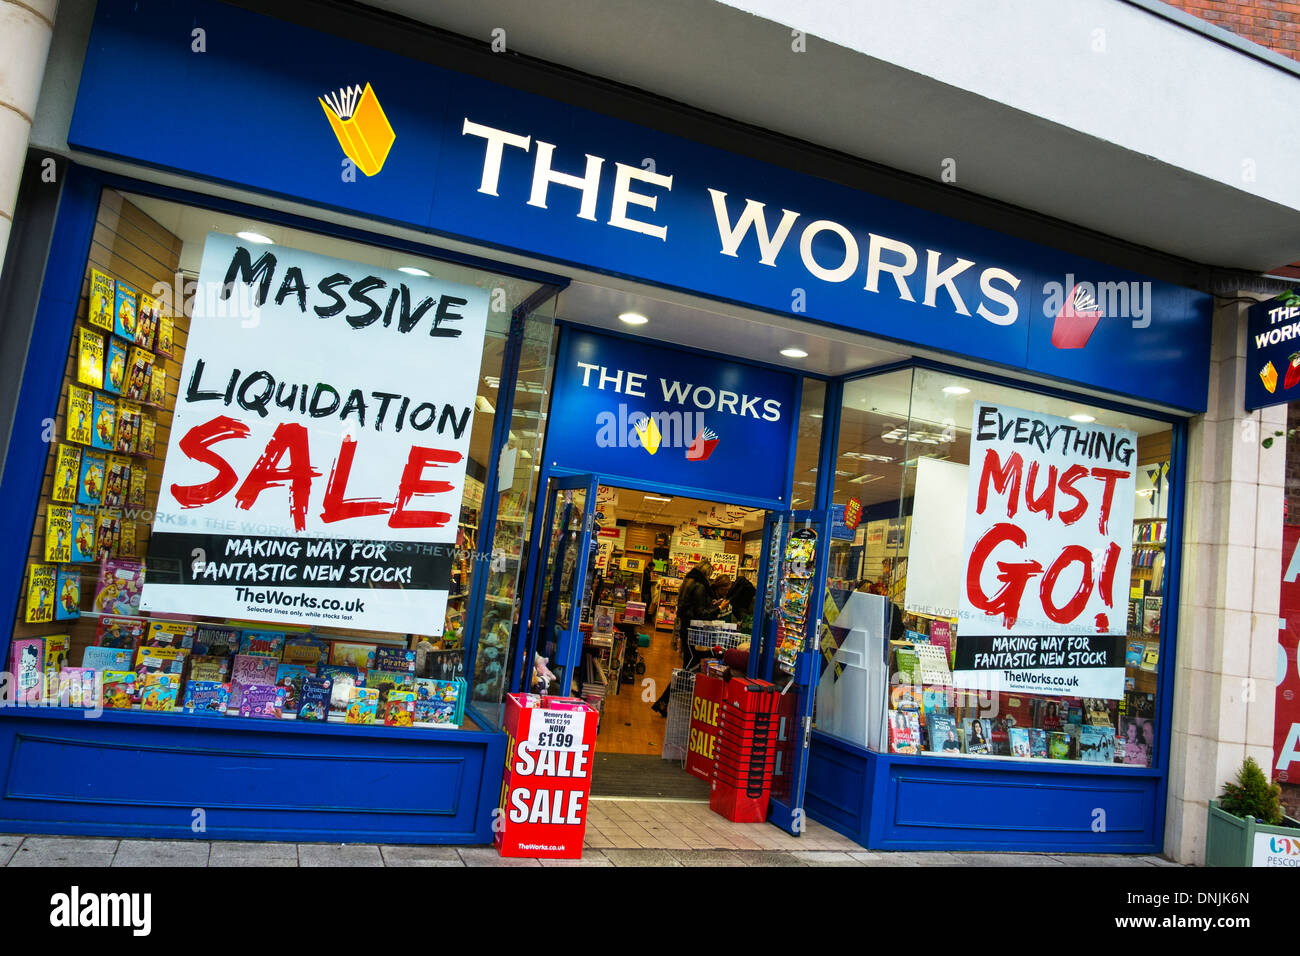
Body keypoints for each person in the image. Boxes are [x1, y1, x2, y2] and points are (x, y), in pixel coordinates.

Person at [651, 560, 722, 716]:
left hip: (686, 629)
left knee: (690, 666)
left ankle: (666, 702)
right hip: (694, 632)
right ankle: (664, 701)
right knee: (689, 668)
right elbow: (701, 613)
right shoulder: (700, 586)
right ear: (706, 573)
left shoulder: (688, 582)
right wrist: (718, 608)